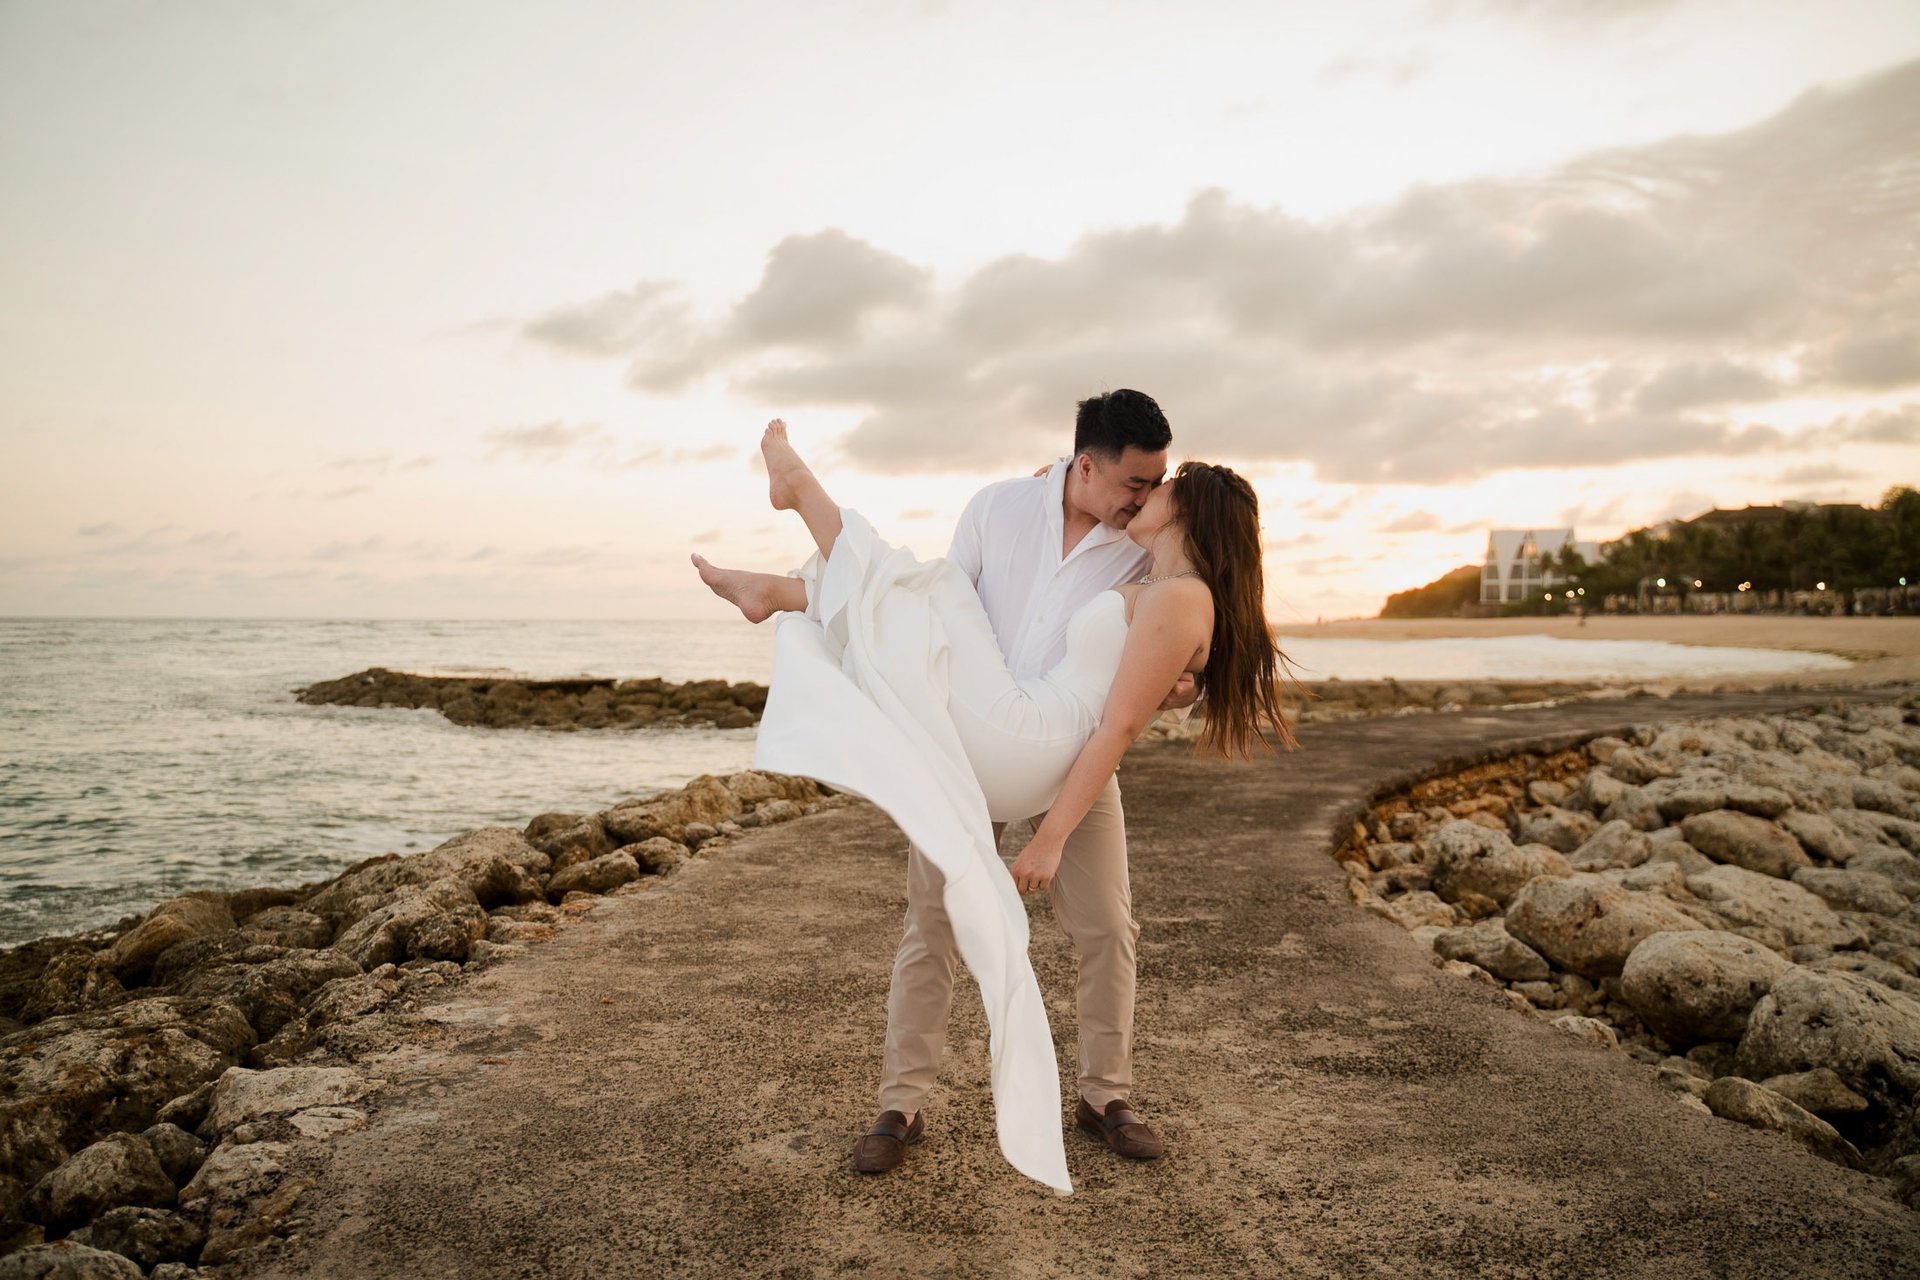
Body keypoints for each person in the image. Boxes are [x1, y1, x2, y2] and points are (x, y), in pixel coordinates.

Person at [692, 417, 1291, 1193]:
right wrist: (1188, 673)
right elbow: (1133, 663)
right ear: (1088, 466)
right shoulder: (1004, 511)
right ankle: (900, 1106)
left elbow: (1127, 712)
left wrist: (1057, 830)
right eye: (1136, 483)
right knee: (931, 925)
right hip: (997, 730)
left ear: (1189, 513)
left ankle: (1105, 1097)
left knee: (1108, 925)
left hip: (1049, 750)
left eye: (1159, 488)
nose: (1142, 498)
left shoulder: (1152, 567)